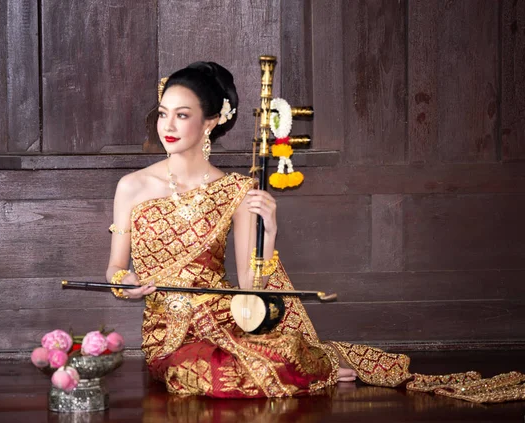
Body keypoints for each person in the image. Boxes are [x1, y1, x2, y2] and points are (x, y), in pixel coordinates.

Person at [105, 61, 524, 401]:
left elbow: (252, 285)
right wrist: (128, 282)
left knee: (280, 351)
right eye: (163, 113)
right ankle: (307, 370)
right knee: (213, 375)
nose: (168, 125)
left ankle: (308, 365)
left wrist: (268, 231)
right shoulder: (132, 187)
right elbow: (114, 272)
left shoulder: (234, 189)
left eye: (182, 115)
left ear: (211, 122)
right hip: (167, 334)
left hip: (224, 317)